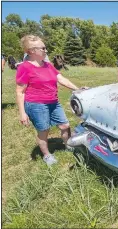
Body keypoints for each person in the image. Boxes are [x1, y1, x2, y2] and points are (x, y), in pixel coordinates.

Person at [15, 35, 85, 166]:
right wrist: (22, 113)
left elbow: (61, 78)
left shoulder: (48, 65)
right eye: (43, 48)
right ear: (31, 51)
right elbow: (20, 91)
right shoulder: (24, 67)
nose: (46, 50)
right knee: (44, 131)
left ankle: (68, 145)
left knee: (65, 126)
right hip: (36, 105)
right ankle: (47, 155)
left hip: (53, 102)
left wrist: (77, 89)